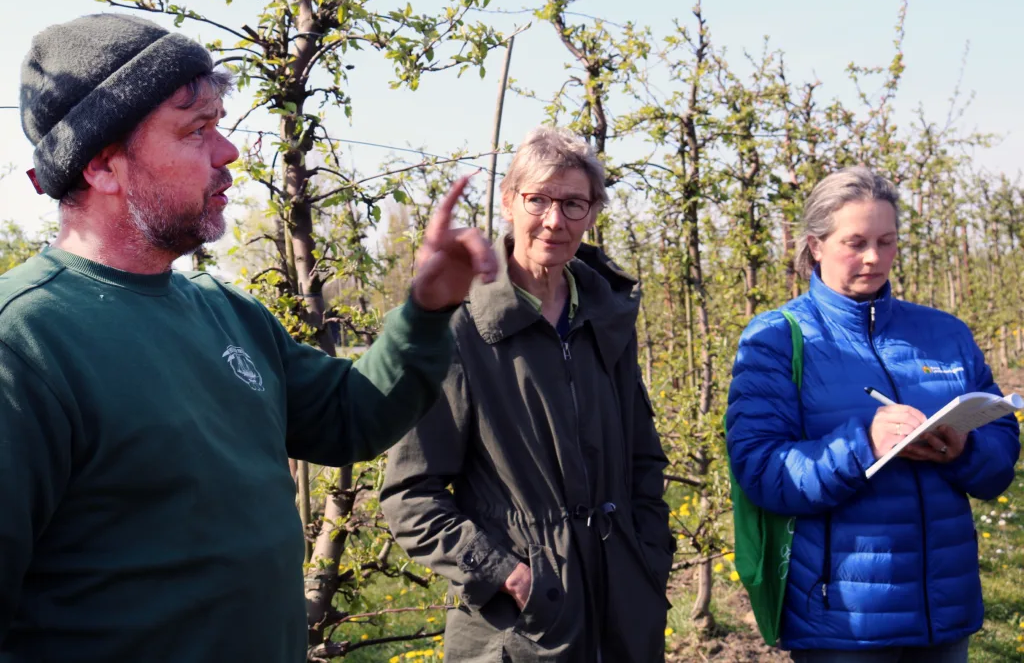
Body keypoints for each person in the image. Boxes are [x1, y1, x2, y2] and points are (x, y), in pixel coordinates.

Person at [1, 14, 497, 662]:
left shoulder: (224, 312)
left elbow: (354, 417)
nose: (229, 152)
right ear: (102, 166)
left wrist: (429, 306)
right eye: (197, 130)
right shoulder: (25, 344)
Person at [380, 126, 675, 663]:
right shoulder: (459, 326)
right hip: (521, 628)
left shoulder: (608, 317)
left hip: (624, 610)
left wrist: (649, 555)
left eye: (573, 204)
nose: (554, 220)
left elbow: (642, 458)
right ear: (509, 201)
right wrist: (507, 575)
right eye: (537, 199)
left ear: (593, 214)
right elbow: (409, 493)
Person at [726, 166, 1021, 662]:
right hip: (842, 622)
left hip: (943, 613)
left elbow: (1001, 454)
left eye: (887, 241)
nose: (873, 258)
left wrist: (964, 450)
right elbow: (762, 471)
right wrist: (865, 443)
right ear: (815, 245)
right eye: (856, 241)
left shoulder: (944, 333)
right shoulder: (777, 339)